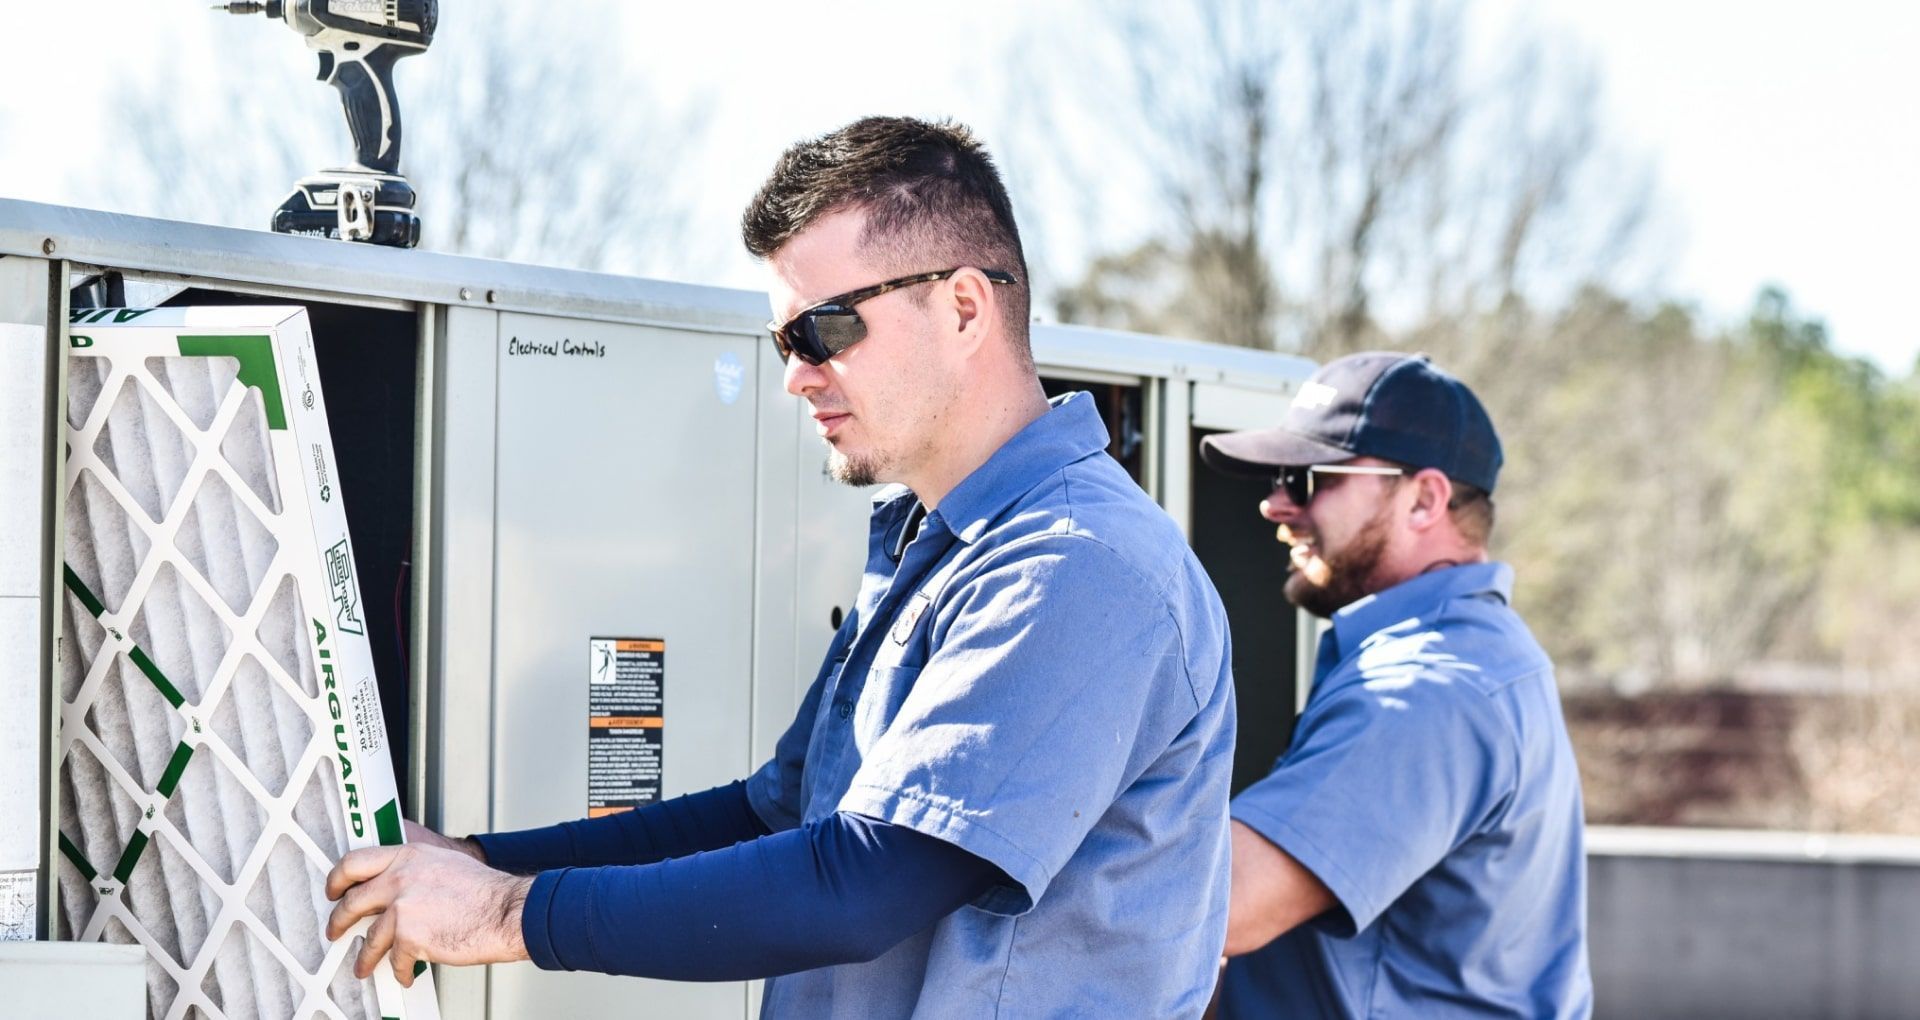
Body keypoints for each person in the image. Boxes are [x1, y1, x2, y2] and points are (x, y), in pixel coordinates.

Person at [322, 116, 1238, 1017]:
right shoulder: (935, 549)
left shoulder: (1077, 566)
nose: (795, 376)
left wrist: (503, 916)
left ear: (965, 307)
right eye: (782, 341)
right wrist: (485, 861)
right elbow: (772, 814)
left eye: (824, 332)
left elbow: (865, 884)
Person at [1197, 352, 1591, 1018]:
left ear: (1425, 500)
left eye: (1308, 476)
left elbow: (1219, 905)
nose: (1274, 504)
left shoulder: (1429, 689)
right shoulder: (1478, 654)